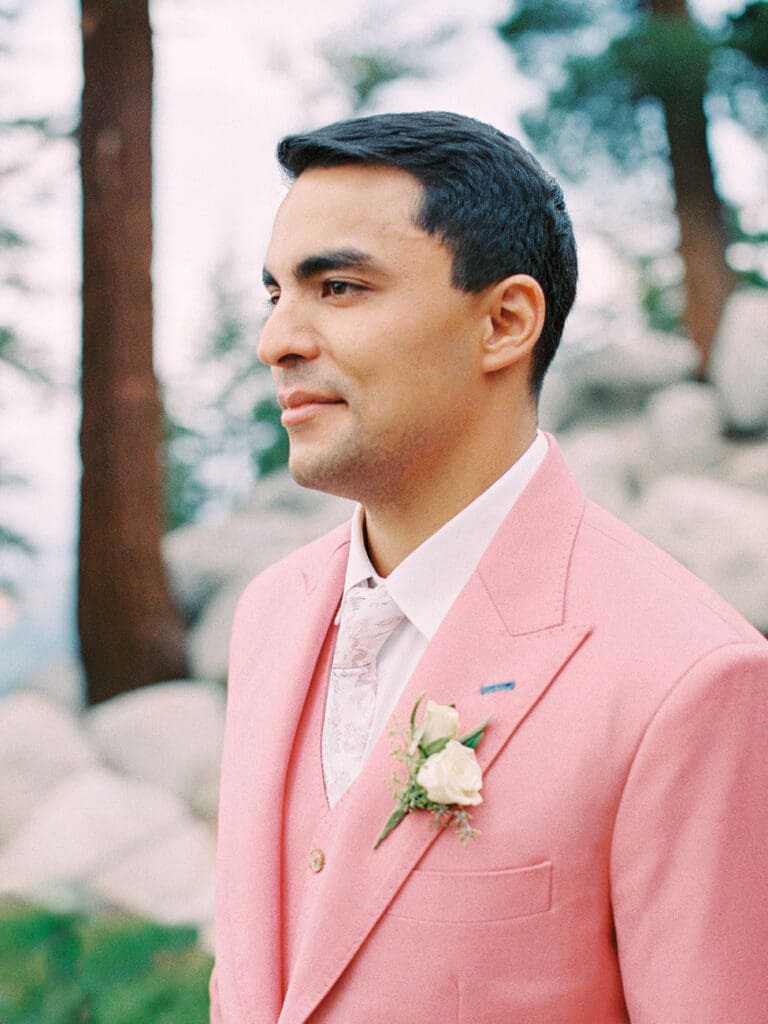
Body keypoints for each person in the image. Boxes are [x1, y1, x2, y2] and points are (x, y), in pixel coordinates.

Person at [209, 111, 768, 1024]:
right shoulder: (270, 613)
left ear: (505, 322)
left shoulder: (693, 679)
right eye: (273, 294)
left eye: (339, 287)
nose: (278, 340)